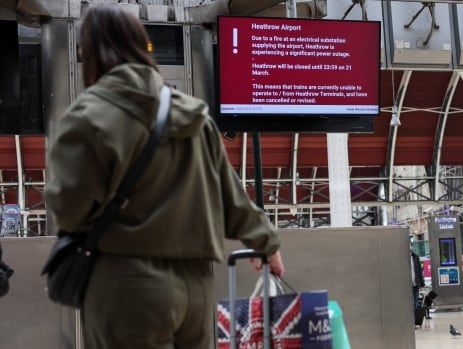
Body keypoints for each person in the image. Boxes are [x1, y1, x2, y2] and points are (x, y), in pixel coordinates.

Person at [44, 6, 284, 349]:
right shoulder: (194, 115)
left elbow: (68, 209)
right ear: (142, 46)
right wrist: (267, 243)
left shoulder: (89, 117)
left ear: (89, 53)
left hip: (127, 286)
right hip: (196, 288)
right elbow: (232, 199)